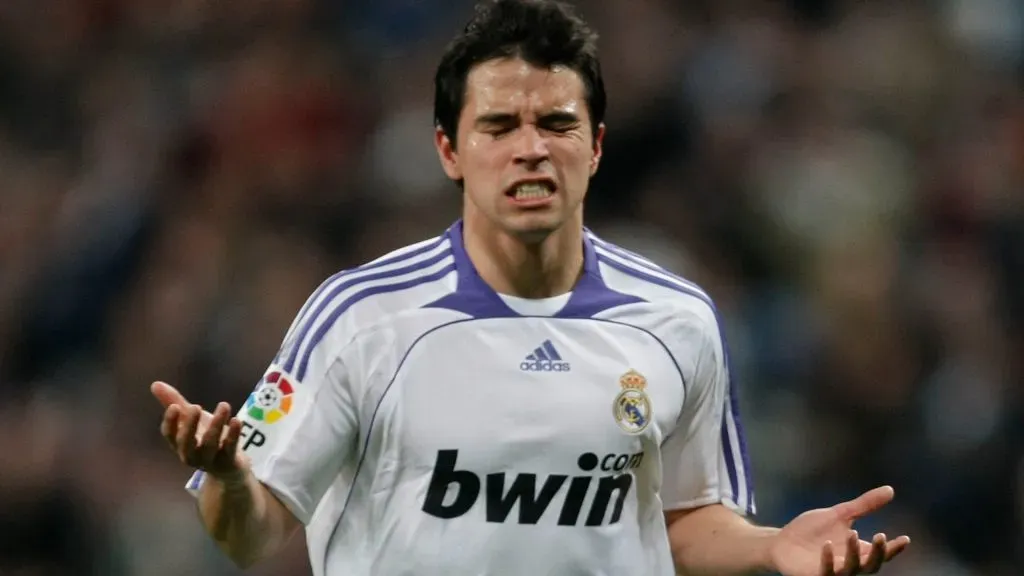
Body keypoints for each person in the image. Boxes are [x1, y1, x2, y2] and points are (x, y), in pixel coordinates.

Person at [152, 0, 911, 574]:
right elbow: (248, 533)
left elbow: (680, 520)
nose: (531, 150)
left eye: (556, 123)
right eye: (499, 126)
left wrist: (774, 547)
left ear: (597, 145)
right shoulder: (361, 317)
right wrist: (227, 474)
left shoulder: (677, 320)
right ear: (449, 150)